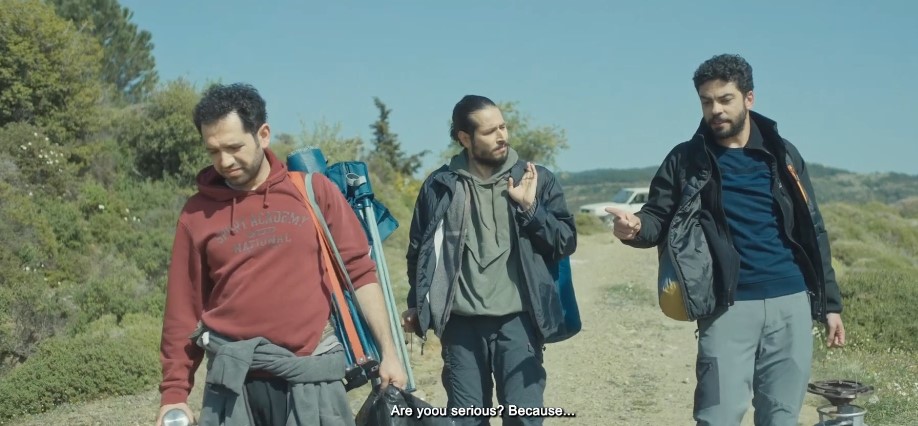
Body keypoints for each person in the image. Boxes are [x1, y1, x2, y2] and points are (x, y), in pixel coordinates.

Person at [607, 54, 846, 425]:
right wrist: (635, 228)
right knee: (716, 417)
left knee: (782, 417)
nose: (715, 109)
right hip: (727, 306)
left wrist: (830, 304)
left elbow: (813, 227)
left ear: (749, 98)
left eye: (725, 99)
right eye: (706, 101)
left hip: (791, 302)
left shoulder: (782, 153)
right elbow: (656, 217)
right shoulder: (686, 159)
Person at [155, 83, 406, 426]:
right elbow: (183, 311)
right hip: (233, 387)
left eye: (234, 147)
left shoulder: (313, 192)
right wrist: (174, 394)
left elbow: (360, 275)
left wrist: (390, 353)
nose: (224, 161)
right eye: (213, 151)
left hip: (312, 378)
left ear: (263, 134)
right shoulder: (196, 214)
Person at [401, 95, 576, 426]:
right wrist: (417, 304)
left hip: (519, 321)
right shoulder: (440, 186)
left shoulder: (534, 178)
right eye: (489, 131)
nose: (501, 137)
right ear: (465, 138)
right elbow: (419, 253)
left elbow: (564, 242)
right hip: (460, 326)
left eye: (503, 127)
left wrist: (530, 210)